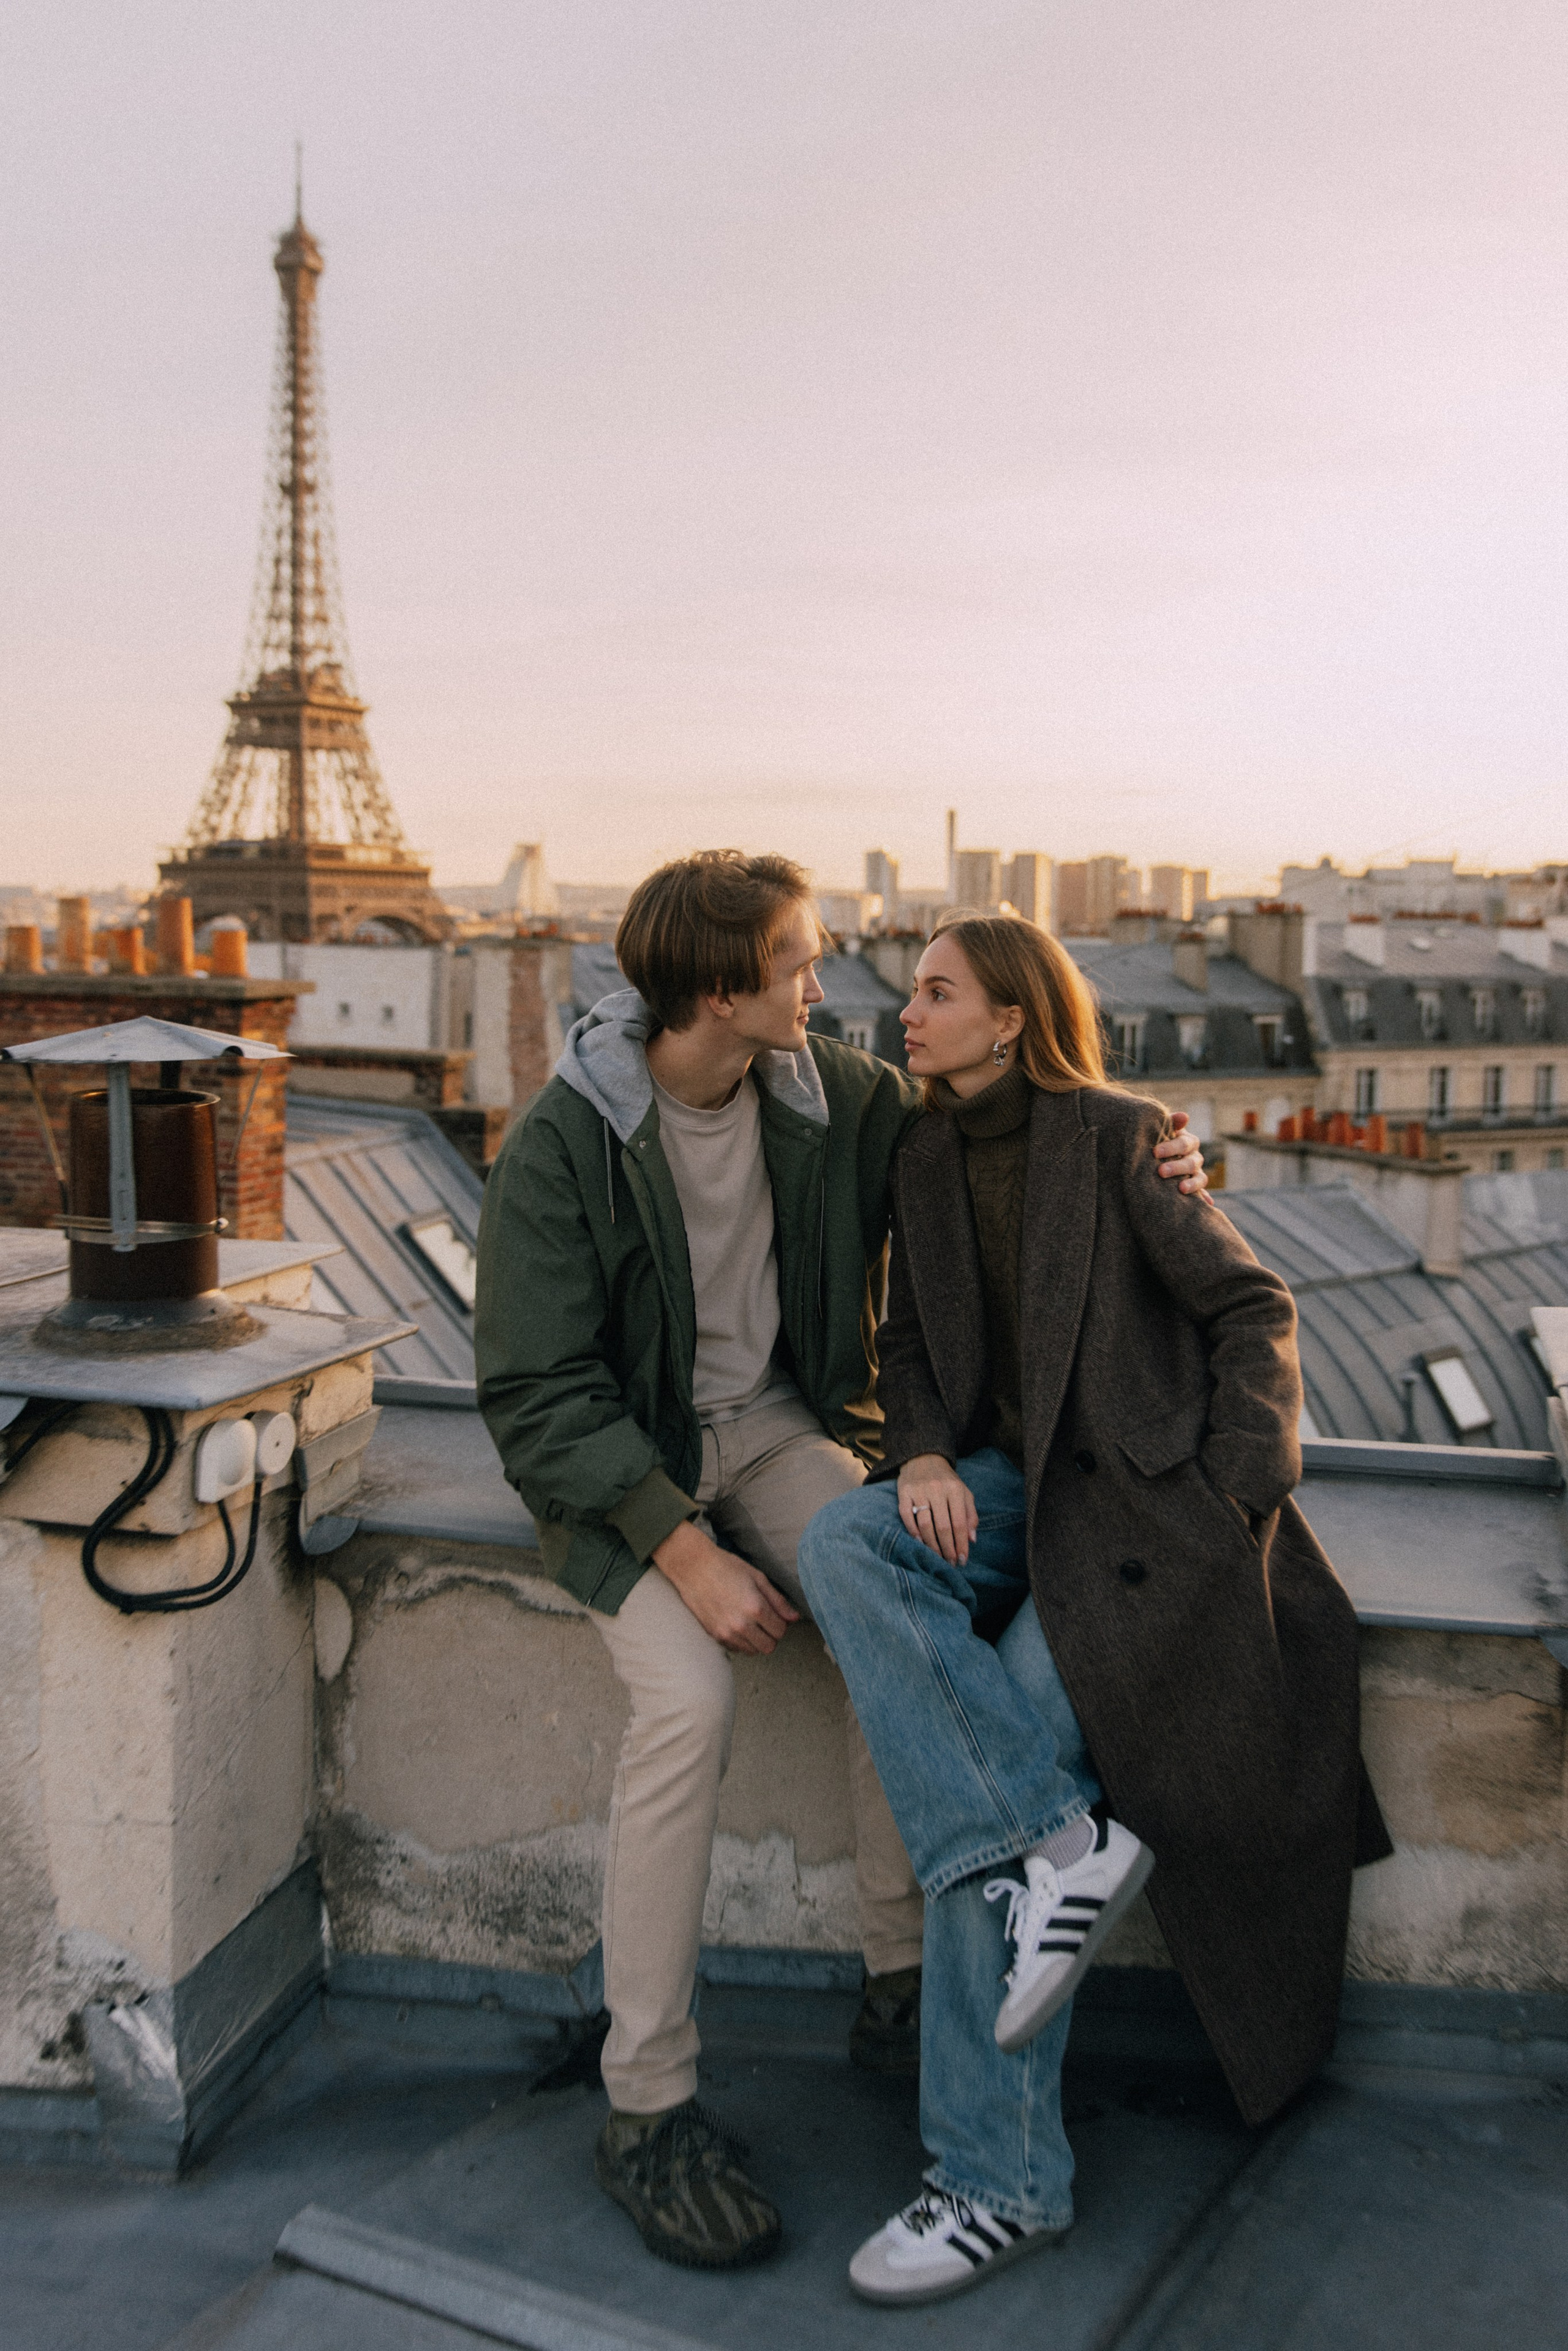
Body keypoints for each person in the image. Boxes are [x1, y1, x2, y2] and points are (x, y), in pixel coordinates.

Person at [475, 855, 1209, 2273]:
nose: (828, 985)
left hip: (777, 1431)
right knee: (686, 1705)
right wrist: (681, 1553)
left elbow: (1021, 1128)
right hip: (625, 1474)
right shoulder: (564, 1140)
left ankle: (898, 1976)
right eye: (798, 962)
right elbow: (534, 1392)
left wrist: (1163, 1161)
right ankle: (645, 2101)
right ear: (715, 989)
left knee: (892, 1602)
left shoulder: (834, 1099)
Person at [799, 912, 1391, 2309]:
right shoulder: (924, 1149)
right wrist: (924, 1449)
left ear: (1008, 1016)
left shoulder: (1119, 1135)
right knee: (845, 1536)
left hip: (1135, 1522)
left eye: (935, 992)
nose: (908, 1009)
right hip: (1005, 1488)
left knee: (987, 1761)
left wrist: (1227, 1495)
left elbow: (1254, 1307)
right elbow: (906, 1340)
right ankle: (1048, 1849)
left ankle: (998, 2182)